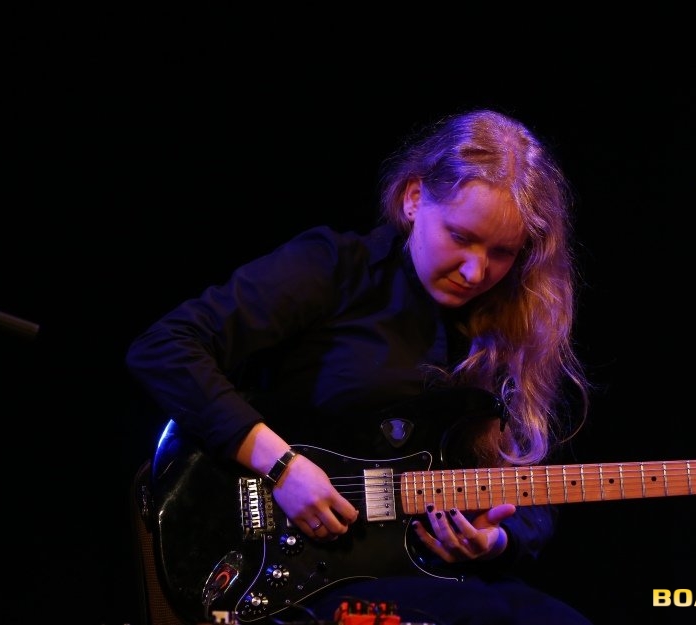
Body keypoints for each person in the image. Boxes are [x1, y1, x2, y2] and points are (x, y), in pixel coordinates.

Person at [125, 108, 594, 625]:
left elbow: (532, 491)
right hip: (298, 573)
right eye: (461, 237)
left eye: (501, 252)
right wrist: (281, 465)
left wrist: (497, 539)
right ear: (414, 198)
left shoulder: (512, 333)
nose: (475, 270)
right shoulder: (334, 268)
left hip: (429, 576)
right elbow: (165, 348)